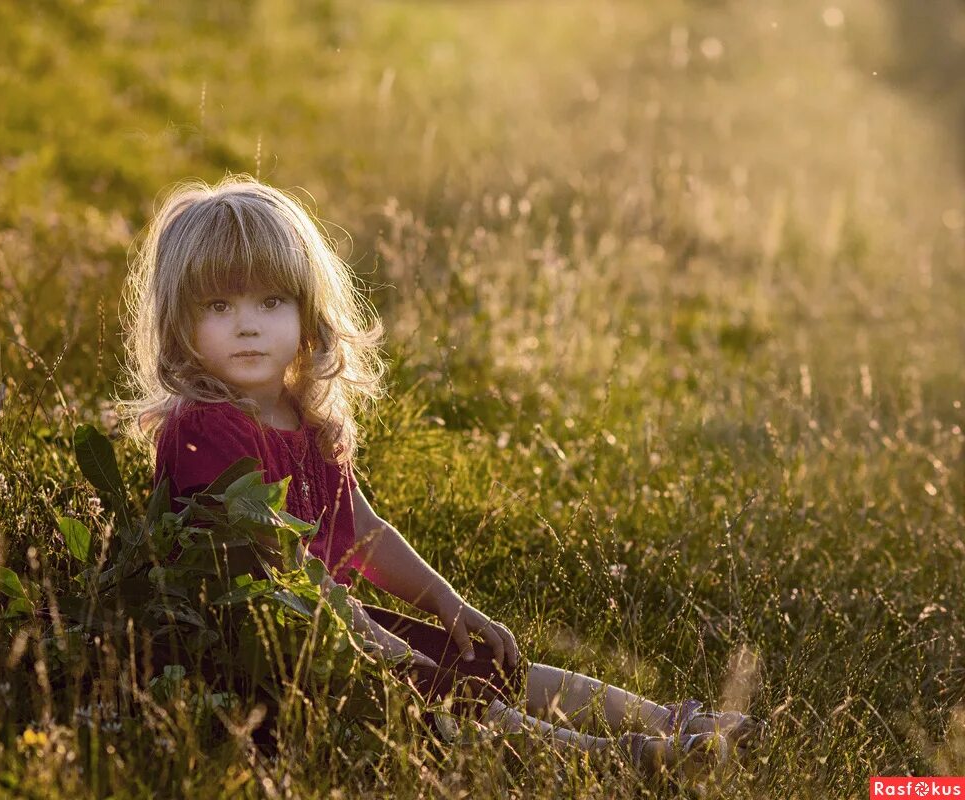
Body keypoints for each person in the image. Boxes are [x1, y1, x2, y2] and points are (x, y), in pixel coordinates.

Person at [120, 174, 765, 778]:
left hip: (331, 622)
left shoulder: (301, 420)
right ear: (181, 321)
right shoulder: (205, 427)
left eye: (271, 300)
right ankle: (612, 758)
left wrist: (447, 603)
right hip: (257, 650)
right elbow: (281, 567)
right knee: (444, 703)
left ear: (307, 314)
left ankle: (672, 720)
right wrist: (375, 643)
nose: (248, 323)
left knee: (485, 665)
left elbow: (360, 530)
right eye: (219, 304)